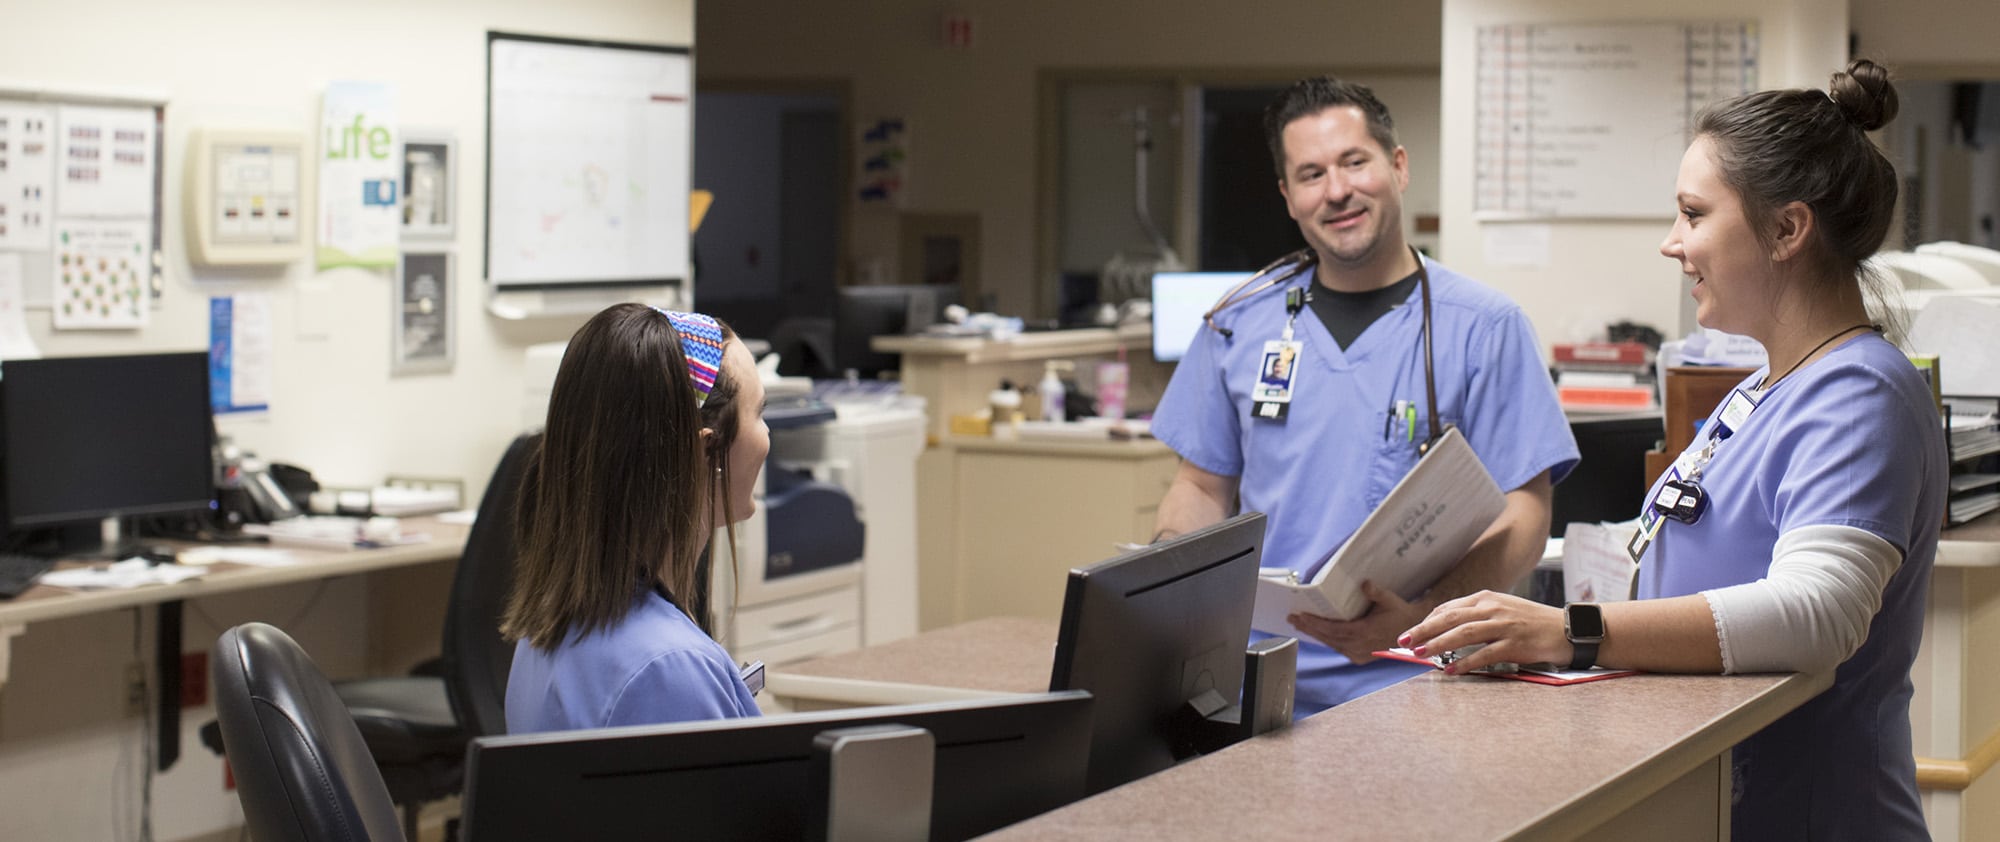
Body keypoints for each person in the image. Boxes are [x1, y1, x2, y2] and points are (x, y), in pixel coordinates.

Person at [1401, 60, 1941, 840]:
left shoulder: (1860, 392)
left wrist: (1571, 631)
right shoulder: (1767, 385)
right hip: (1716, 799)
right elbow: (1686, 544)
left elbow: (1817, 613)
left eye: (1693, 214)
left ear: (1787, 230)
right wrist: (1498, 598)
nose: (1672, 243)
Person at [1150, 76, 1579, 716]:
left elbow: (1525, 511)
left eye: (1354, 162)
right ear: (1288, 196)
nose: (1337, 190)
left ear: (1398, 166)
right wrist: (1169, 574)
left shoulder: (1484, 328)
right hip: (1251, 681)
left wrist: (1428, 612)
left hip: (1417, 684)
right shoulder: (1237, 323)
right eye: (1311, 174)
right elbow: (1201, 487)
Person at [501, 303, 770, 733]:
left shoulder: (544, 631)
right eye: (759, 413)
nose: (767, 434)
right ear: (703, 452)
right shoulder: (670, 669)